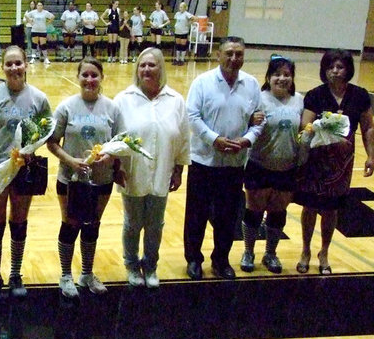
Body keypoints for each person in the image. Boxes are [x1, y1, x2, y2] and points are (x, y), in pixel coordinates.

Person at [0, 45, 52, 301]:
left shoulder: (39, 99)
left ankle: (15, 273)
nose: (14, 68)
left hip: (24, 171)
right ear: (3, 67)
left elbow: (45, 132)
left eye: (18, 63)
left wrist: (33, 148)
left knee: (18, 223)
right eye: (9, 64)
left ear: (26, 64)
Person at [184, 36, 264, 280]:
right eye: (229, 53)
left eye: (239, 54)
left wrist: (247, 140)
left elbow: (260, 119)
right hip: (203, 162)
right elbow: (193, 116)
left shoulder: (251, 84)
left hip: (234, 163)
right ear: (218, 55)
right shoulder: (202, 83)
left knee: (228, 216)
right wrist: (214, 139)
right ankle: (194, 260)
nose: (234, 58)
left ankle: (221, 260)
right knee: (196, 214)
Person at [114, 47, 190, 287]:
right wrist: (116, 168)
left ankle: (150, 265)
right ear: (137, 69)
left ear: (161, 68)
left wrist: (179, 169)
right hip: (132, 172)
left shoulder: (176, 100)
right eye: (142, 65)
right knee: (133, 223)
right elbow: (113, 139)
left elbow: (183, 138)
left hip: (163, 171)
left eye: (152, 65)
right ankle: (131, 264)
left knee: (155, 223)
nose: (146, 69)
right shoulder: (123, 100)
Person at [294, 49, 374, 274]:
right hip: (317, 160)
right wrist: (322, 132)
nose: (335, 72)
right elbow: (305, 126)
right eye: (330, 67)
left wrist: (371, 156)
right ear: (324, 70)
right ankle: (306, 250)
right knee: (309, 206)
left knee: (332, 209)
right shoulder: (315, 95)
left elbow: (368, 127)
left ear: (348, 69)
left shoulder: (359, 95)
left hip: (342, 162)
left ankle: (325, 251)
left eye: (340, 67)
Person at [47, 57, 119, 297]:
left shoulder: (112, 108)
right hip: (70, 180)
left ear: (101, 77)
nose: (89, 80)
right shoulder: (66, 107)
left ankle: (87, 273)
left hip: (101, 179)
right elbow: (52, 142)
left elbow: (120, 143)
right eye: (85, 75)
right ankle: (66, 275)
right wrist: (71, 161)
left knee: (92, 224)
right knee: (70, 224)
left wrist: (109, 157)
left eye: (94, 75)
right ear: (78, 77)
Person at [240, 55, 303, 274]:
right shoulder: (259, 99)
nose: (282, 78)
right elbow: (245, 125)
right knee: (254, 211)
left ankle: (271, 253)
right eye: (277, 74)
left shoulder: (299, 100)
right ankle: (248, 251)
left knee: (278, 212)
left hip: (287, 168)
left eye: (287, 74)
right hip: (260, 165)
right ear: (268, 77)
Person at [172, 2, 194, 66]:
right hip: (177, 31)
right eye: (180, 7)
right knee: (178, 45)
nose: (180, 8)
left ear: (184, 8)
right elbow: (176, 21)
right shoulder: (177, 14)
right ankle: (177, 59)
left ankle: (182, 59)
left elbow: (194, 18)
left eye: (181, 7)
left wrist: (190, 23)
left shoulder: (187, 14)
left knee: (183, 46)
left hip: (184, 32)